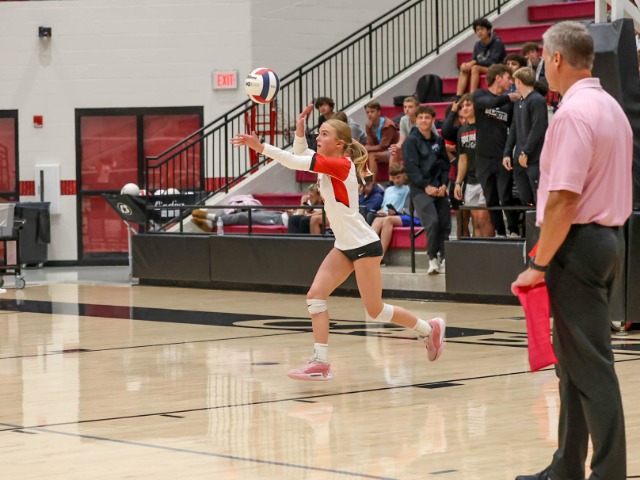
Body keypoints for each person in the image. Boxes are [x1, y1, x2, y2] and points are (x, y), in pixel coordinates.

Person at [231, 103, 446, 381]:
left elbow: (295, 161)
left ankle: (428, 329)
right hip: (344, 244)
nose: (318, 138)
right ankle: (320, 363)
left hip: (363, 245)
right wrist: (299, 132)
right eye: (318, 133)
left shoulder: (342, 165)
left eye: (324, 134)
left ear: (339, 143)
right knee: (315, 296)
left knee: (376, 310)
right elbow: (301, 154)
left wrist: (261, 147)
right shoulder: (327, 162)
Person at [511, 21, 632, 480]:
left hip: (578, 244)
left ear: (557, 58)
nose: (543, 64)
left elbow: (564, 198)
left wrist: (538, 263)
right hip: (608, 240)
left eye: (544, 57)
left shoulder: (573, 114)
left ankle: (609, 473)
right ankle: (565, 467)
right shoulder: (610, 107)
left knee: (592, 367)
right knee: (575, 365)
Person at [401, 105, 451, 274]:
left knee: (445, 223)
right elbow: (411, 169)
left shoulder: (438, 141)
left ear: (433, 120)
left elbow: (445, 166)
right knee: (433, 222)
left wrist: (444, 185)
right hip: (420, 189)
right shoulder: (410, 141)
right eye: (421, 117)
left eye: (427, 117)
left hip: (439, 188)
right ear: (416, 120)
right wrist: (426, 186)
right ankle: (432, 258)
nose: (424, 120)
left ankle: (445, 258)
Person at [473, 63, 521, 237]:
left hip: (502, 156)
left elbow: (513, 129)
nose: (511, 82)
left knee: (506, 196)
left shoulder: (509, 105)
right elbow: (491, 102)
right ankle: (500, 233)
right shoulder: (480, 95)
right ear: (498, 78)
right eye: (508, 78)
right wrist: (509, 97)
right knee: (491, 199)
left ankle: (514, 230)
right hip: (483, 158)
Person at [502, 67, 549, 206]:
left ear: (519, 81)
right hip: (519, 158)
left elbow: (538, 128)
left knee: (539, 198)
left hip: (534, 158)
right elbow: (514, 128)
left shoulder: (537, 100)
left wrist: (526, 152)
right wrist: (507, 153)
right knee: (525, 198)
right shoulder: (519, 102)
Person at [453, 94, 494, 237]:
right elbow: (462, 159)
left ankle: (492, 249)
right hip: (470, 180)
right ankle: (480, 250)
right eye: (462, 106)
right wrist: (458, 182)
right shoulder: (462, 131)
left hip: (486, 179)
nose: (465, 108)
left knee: (484, 219)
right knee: (476, 222)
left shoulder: (486, 126)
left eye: (468, 105)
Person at [370, 163, 417, 257]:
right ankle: (368, 251)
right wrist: (380, 212)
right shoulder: (388, 190)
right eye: (394, 178)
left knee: (388, 219)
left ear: (404, 175)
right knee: (376, 219)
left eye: (398, 177)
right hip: (386, 213)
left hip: (399, 214)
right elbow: (383, 206)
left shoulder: (408, 189)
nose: (396, 180)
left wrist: (395, 213)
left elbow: (406, 208)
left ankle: (381, 255)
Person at [456, 17, 507, 98]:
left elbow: (493, 62)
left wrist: (474, 62)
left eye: (482, 29)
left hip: (497, 68)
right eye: (477, 30)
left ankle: (472, 96)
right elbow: (474, 59)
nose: (479, 32)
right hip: (484, 67)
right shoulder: (478, 44)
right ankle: (458, 96)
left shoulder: (497, 43)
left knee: (475, 68)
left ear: (488, 30)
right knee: (464, 69)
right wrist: (466, 65)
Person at [364, 99, 400, 179]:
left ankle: (372, 182)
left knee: (372, 155)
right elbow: (370, 143)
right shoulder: (368, 125)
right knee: (362, 155)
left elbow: (383, 146)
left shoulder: (388, 125)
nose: (369, 114)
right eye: (367, 112)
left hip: (393, 151)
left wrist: (367, 148)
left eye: (372, 112)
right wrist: (367, 148)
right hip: (381, 150)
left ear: (379, 112)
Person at [389, 96, 419, 165]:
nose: (407, 109)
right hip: (411, 147)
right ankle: (393, 172)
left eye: (410, 107)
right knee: (394, 153)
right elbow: (402, 140)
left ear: (417, 108)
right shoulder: (403, 119)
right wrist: (395, 146)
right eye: (405, 107)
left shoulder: (422, 119)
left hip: (424, 147)